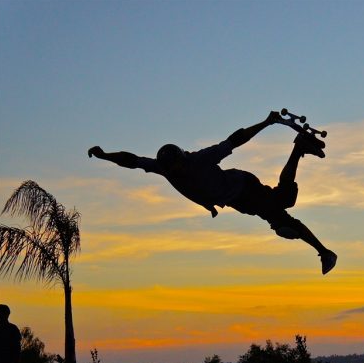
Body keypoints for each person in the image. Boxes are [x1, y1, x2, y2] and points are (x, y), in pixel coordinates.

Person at [88, 111, 337, 274]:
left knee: (284, 211)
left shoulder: (200, 159)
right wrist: (105, 155)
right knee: (283, 217)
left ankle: (325, 252)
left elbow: (234, 140)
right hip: (236, 200)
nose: (179, 172)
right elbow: (132, 160)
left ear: (184, 158)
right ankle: (300, 150)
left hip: (243, 187)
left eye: (180, 166)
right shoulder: (166, 170)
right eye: (173, 169)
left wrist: (265, 122)